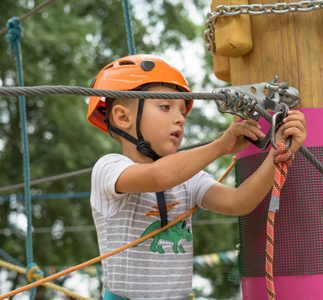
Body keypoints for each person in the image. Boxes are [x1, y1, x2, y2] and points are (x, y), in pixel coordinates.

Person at [87, 54, 306, 300]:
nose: (180, 118)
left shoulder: (190, 179)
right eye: (165, 107)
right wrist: (220, 146)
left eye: (183, 111)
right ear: (123, 117)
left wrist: (277, 153)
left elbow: (239, 202)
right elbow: (159, 176)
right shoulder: (108, 168)